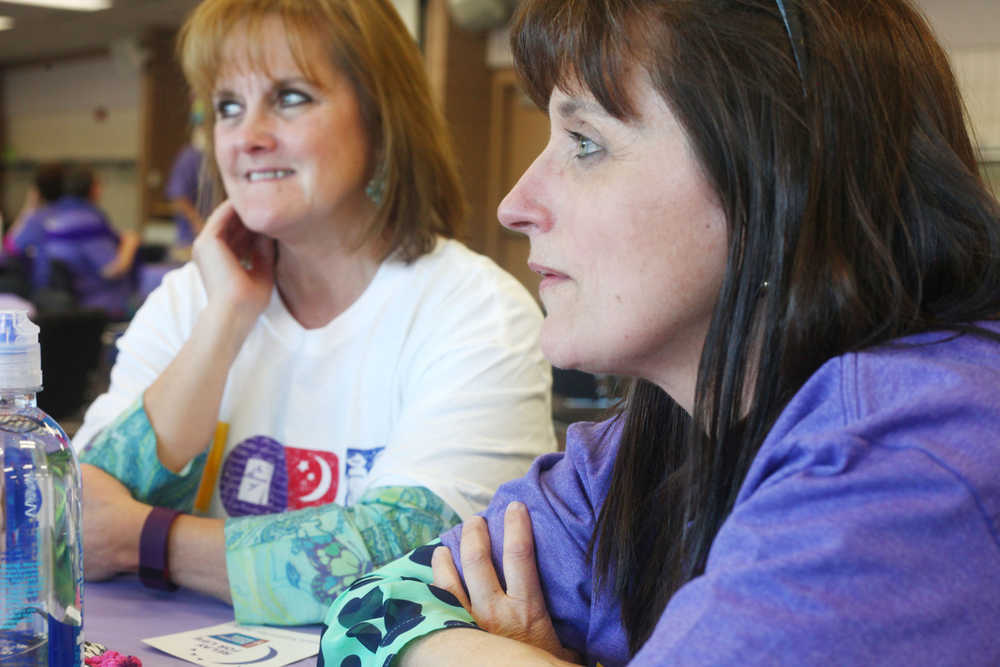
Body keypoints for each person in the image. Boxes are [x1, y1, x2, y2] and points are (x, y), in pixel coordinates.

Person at [320, 0, 1000, 664]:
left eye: (585, 142)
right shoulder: (645, 443)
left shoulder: (901, 462)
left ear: (773, 177)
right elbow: (367, 612)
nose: (513, 204)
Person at [73, 0, 555, 628]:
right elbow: (76, 514)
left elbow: (408, 565)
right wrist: (225, 321)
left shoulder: (478, 311)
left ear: (382, 117)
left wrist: (145, 541)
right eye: (228, 106)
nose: (248, 137)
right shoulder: (192, 297)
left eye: (291, 97)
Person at [7, 165, 139, 318]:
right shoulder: (87, 221)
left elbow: (10, 246)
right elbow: (111, 269)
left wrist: (30, 208)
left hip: (47, 299)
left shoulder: (42, 218)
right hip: (97, 304)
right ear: (94, 189)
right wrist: (130, 243)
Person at [165, 105, 214, 257]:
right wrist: (199, 224)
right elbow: (178, 198)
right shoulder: (190, 157)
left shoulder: (217, 158)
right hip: (191, 243)